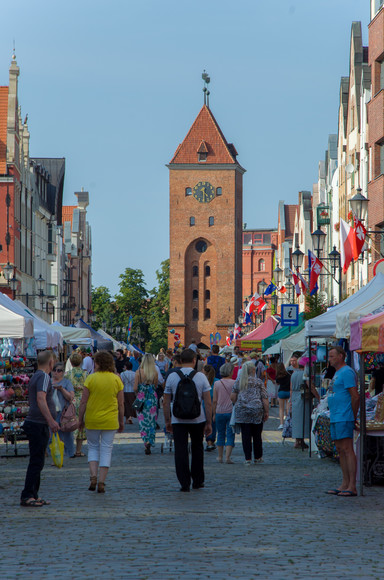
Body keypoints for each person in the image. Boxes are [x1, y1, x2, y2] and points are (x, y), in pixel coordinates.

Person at [163, 348, 212, 492]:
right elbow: (208, 402)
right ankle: (197, 480)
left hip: (178, 419)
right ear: (194, 361)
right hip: (198, 418)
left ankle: (184, 482)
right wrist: (209, 422)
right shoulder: (201, 377)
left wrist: (167, 420)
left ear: (179, 361)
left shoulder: (171, 377)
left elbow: (166, 402)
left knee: (180, 450)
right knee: (197, 449)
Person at [78, 351, 124, 493]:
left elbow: (83, 402)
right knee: (106, 448)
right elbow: (121, 404)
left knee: (92, 447)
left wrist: (80, 419)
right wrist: (121, 421)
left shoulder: (90, 379)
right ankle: (102, 482)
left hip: (92, 418)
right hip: (110, 419)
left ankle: (93, 476)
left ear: (96, 363)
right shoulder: (116, 379)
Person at [20, 350, 59, 507]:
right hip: (38, 423)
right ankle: (28, 495)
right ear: (50, 362)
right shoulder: (43, 376)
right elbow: (41, 399)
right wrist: (51, 420)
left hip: (36, 423)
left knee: (38, 461)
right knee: (36, 462)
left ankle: (34, 494)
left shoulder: (36, 375)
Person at [326, 346, 359, 497]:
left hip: (344, 416)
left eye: (332, 356)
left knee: (347, 449)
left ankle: (352, 485)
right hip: (335, 415)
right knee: (340, 450)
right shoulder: (338, 373)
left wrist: (352, 415)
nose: (329, 359)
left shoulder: (347, 372)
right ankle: (345, 482)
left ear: (341, 356)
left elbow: (355, 396)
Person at [231, 361, 269, 465]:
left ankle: (247, 458)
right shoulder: (259, 382)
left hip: (242, 411)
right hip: (257, 410)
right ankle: (258, 457)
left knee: (246, 435)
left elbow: (233, 397)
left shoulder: (239, 381)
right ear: (253, 370)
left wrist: (238, 403)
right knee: (257, 435)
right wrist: (266, 411)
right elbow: (264, 398)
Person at [290, 354, 319, 449]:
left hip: (294, 396)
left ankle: (298, 440)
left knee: (296, 420)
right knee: (302, 419)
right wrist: (318, 396)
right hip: (301, 397)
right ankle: (300, 440)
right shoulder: (304, 374)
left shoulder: (294, 373)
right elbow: (310, 385)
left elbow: (291, 388)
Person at [133, 353, 159, 455]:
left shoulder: (138, 372)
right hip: (152, 398)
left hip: (141, 398)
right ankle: (150, 440)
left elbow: (135, 388)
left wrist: (138, 393)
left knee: (143, 422)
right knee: (152, 422)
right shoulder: (155, 372)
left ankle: (145, 441)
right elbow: (155, 386)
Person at [65, 352, 88, 457]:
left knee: (70, 423)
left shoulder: (67, 374)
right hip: (83, 400)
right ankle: (78, 450)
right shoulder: (86, 374)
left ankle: (70, 448)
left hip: (71, 401)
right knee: (81, 424)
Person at [51, 363, 75, 458]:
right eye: (54, 370)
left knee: (67, 433)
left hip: (64, 411)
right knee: (53, 433)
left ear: (63, 372)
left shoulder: (66, 382)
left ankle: (70, 452)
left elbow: (71, 397)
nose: (56, 372)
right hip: (52, 412)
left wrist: (61, 389)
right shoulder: (48, 382)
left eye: (59, 370)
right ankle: (55, 453)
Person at [213, 362, 235, 463]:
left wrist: (213, 413)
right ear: (230, 372)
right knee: (230, 434)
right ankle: (228, 457)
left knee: (220, 433)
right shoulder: (235, 383)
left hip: (219, 411)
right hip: (231, 411)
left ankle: (220, 456)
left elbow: (214, 400)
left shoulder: (217, 383)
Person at [203, 364, 217, 451]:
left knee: (206, 424)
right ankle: (211, 441)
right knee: (213, 425)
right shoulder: (217, 381)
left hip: (204, 406)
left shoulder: (203, 381)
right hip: (214, 406)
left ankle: (208, 441)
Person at [276, 362, 291, 430]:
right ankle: (288, 422)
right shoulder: (288, 374)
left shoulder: (278, 375)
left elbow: (277, 383)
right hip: (288, 392)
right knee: (288, 408)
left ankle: (281, 423)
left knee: (281, 409)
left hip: (281, 392)